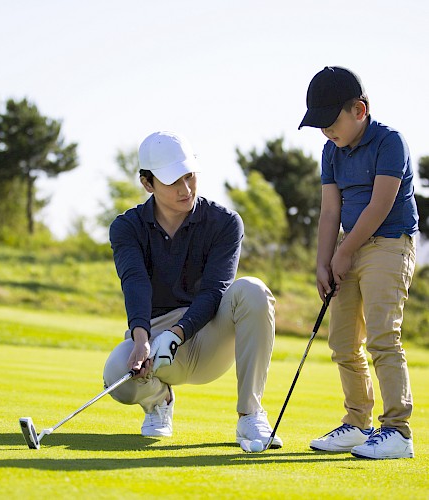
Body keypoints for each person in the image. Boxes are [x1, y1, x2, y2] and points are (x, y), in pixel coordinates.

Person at [103, 130, 282, 448]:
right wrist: (142, 339)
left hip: (211, 333)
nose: (186, 189)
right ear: (148, 183)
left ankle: (250, 415)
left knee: (252, 290)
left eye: (189, 176)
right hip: (158, 337)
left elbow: (215, 291)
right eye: (173, 181)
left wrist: (178, 333)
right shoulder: (126, 227)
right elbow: (135, 282)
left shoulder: (225, 222)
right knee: (117, 372)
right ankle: (159, 400)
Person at [298, 67, 419, 459]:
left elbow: (380, 205)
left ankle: (397, 431)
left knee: (383, 336)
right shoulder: (331, 150)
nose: (325, 132)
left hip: (388, 243)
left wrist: (343, 252)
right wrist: (322, 262)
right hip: (348, 246)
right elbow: (330, 210)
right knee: (344, 342)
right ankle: (357, 424)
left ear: (359, 110)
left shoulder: (390, 142)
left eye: (331, 122)